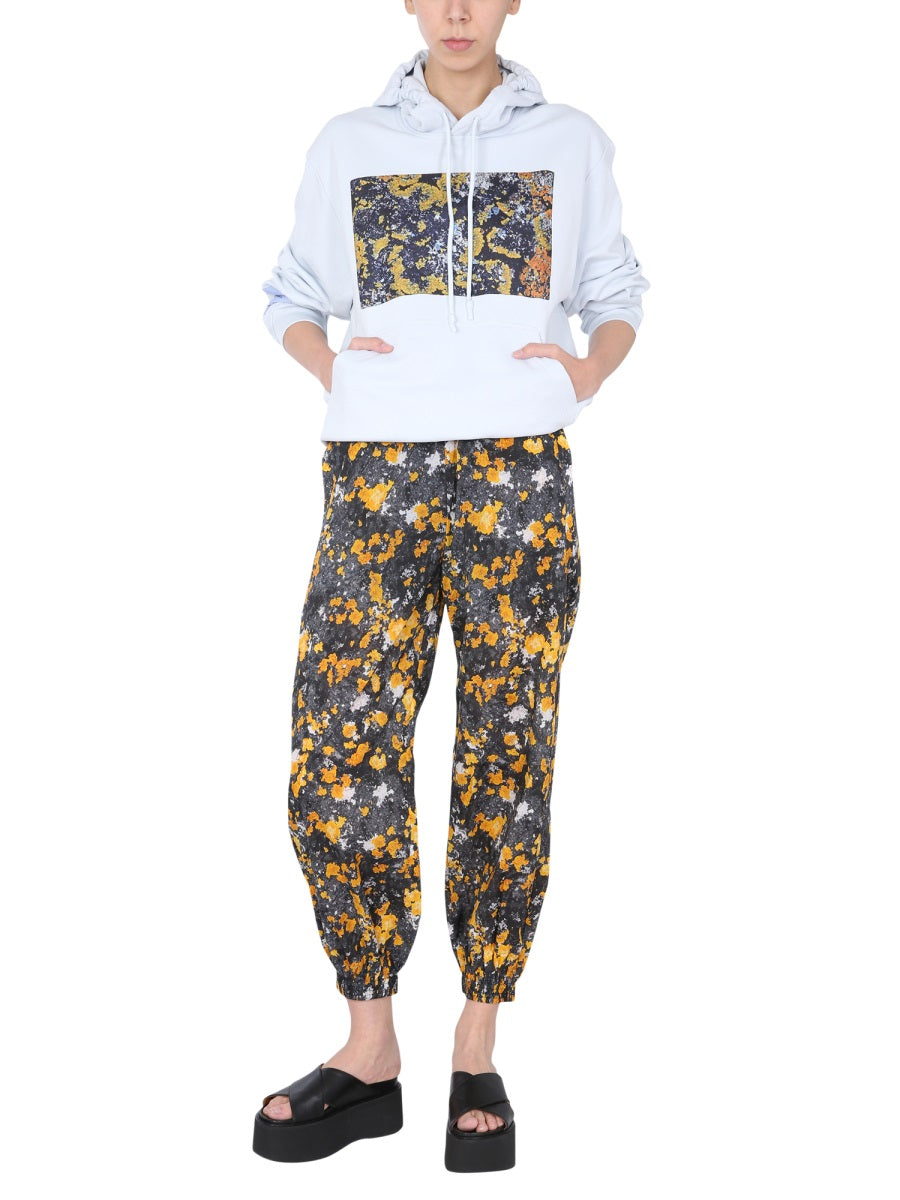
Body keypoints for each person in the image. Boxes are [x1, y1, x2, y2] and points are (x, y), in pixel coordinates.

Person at [252, 0, 649, 1173]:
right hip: (375, 471)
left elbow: (617, 287)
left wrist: (585, 371)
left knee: (507, 744)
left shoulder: (571, 140)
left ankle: (478, 1041)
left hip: (518, 468)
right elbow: (290, 291)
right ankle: (370, 1046)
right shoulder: (350, 142)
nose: (459, 10)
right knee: (342, 741)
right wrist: (337, 369)